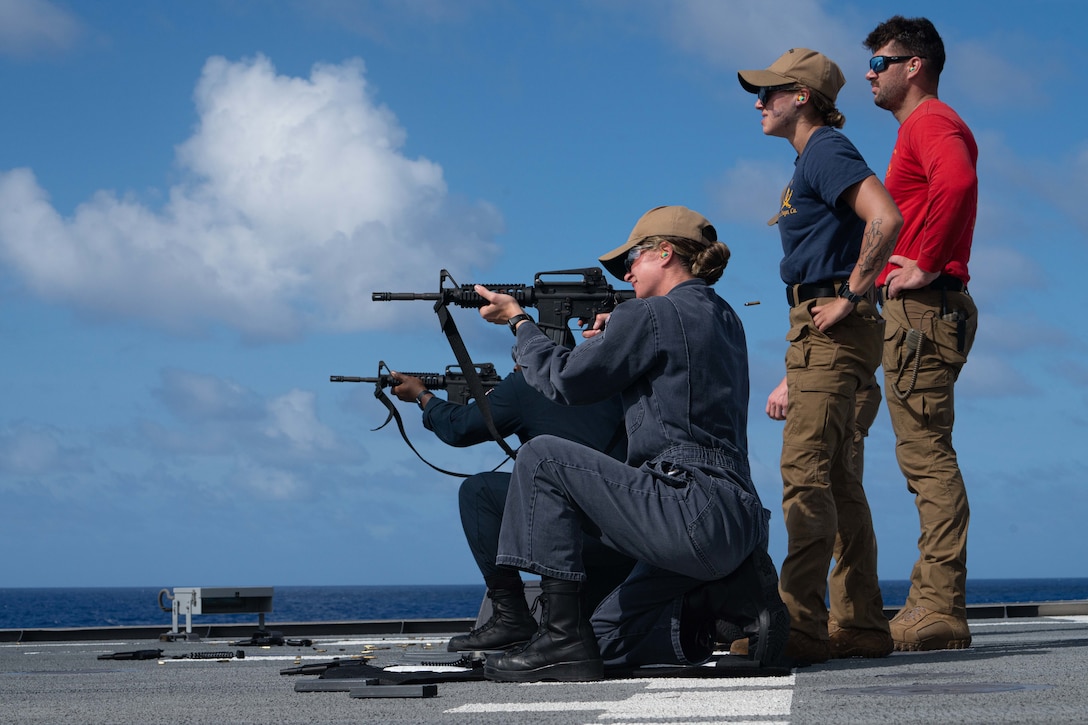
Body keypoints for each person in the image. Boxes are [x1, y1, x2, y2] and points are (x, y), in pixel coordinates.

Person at [473, 205, 789, 682]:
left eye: (634, 258)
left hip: (687, 507)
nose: (626, 272)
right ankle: (721, 603)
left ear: (664, 253)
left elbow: (566, 381)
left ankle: (558, 634)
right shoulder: (725, 317)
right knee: (601, 645)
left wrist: (519, 323)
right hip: (739, 521)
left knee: (540, 458)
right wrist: (616, 334)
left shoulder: (651, 314)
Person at [737, 48, 901, 663]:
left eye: (770, 92)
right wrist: (794, 366)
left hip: (832, 323)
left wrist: (851, 298)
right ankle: (858, 624)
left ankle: (799, 626)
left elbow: (885, 218)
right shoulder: (813, 158)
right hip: (819, 333)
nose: (760, 103)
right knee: (838, 483)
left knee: (805, 477)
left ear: (801, 96)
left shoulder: (826, 151)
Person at [864, 15, 979, 651]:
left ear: (915, 65)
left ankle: (938, 606)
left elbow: (958, 181)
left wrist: (928, 260)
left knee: (926, 458)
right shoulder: (926, 125)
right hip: (925, 310)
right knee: (924, 455)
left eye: (880, 61)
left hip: (924, 308)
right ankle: (935, 601)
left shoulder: (929, 121)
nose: (869, 73)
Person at [389, 365, 634, 652]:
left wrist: (422, 395)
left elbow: (459, 427)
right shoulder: (620, 377)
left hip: (578, 541)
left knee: (478, 492)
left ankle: (512, 618)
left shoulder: (534, 382)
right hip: (637, 539)